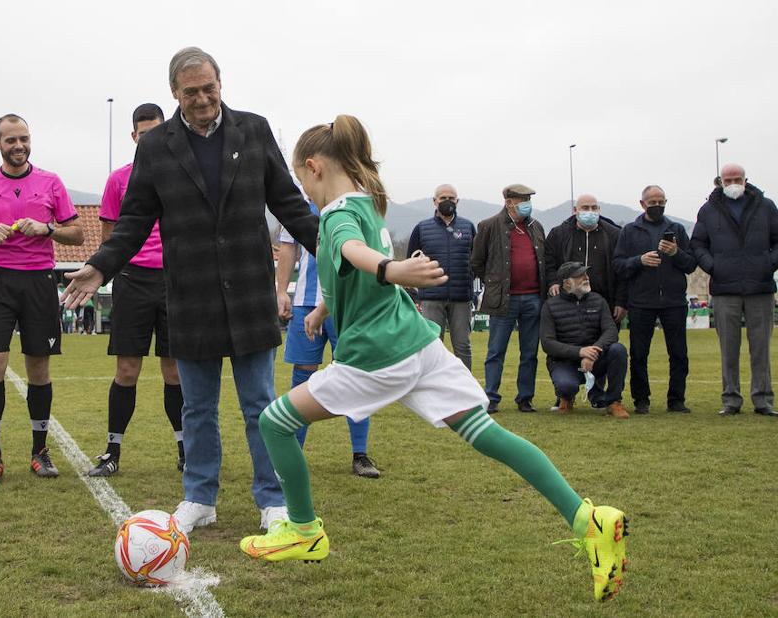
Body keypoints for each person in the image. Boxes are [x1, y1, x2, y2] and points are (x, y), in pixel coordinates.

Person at [236, 115, 630, 603]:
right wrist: (324, 305)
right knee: (491, 436)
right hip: (420, 346)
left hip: (376, 357)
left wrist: (392, 267)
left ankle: (302, 531)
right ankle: (586, 517)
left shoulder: (337, 215)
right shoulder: (368, 204)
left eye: (300, 180)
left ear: (314, 167)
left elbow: (355, 254)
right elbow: (353, 272)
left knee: (274, 422)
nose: (303, 190)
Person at [63, 47, 319, 536]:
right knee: (197, 407)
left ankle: (271, 498)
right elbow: (135, 219)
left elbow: (289, 203)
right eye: (190, 92)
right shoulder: (156, 146)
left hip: (248, 292)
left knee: (260, 404)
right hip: (190, 295)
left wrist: (332, 251)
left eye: (209, 89)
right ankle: (200, 496)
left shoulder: (254, 129)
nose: (201, 99)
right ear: (174, 94)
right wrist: (101, 267)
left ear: (221, 84)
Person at [0, 114, 84, 484]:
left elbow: (78, 234)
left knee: (38, 368)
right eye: (10, 140)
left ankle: (39, 451)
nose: (19, 146)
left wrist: (48, 228)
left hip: (40, 281)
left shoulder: (50, 182)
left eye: (24, 138)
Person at [85, 103, 185, 477]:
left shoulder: (179, 173)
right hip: (132, 281)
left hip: (175, 281)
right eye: (143, 134)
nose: (150, 140)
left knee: (174, 371)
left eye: (156, 132)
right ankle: (112, 452)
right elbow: (110, 237)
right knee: (127, 370)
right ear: (134, 137)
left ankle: (185, 450)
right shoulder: (118, 180)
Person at [277, 210, 380, 478]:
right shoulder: (296, 201)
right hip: (304, 302)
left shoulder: (353, 203)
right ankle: (293, 453)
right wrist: (280, 291)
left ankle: (360, 454)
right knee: (302, 377)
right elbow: (288, 250)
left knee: (355, 374)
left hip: (347, 305)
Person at [691, 164, 778, 416]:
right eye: (728, 179)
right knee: (728, 348)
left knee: (760, 347)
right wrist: (713, 266)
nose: (733, 183)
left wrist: (768, 264)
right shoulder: (708, 210)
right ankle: (731, 399)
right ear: (720, 181)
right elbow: (698, 243)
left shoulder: (766, 206)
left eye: (737, 179)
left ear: (746, 179)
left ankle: (762, 399)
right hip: (724, 288)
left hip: (759, 287)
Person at [613, 185, 696, 414]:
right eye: (653, 202)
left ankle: (676, 399)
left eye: (661, 202)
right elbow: (618, 265)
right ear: (642, 204)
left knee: (679, 353)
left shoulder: (677, 229)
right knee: (639, 354)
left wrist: (675, 253)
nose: (657, 206)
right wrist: (639, 260)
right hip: (641, 302)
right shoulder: (629, 231)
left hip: (674, 301)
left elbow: (690, 264)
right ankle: (641, 400)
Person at [470, 184, 547, 413]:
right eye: (522, 199)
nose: (527, 204)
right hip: (504, 299)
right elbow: (476, 262)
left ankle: (525, 398)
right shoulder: (489, 226)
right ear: (509, 202)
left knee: (530, 352)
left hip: (533, 298)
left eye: (528, 199)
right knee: (496, 351)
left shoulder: (536, 227)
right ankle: (491, 397)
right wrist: (494, 283)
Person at [540, 262, 630, 418]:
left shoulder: (598, 300)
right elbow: (548, 343)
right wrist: (579, 352)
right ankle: (566, 397)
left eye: (586, 274)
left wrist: (592, 351)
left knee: (618, 350)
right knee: (566, 386)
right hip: (564, 362)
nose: (586, 278)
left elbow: (611, 331)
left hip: (595, 358)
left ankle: (614, 401)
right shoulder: (550, 306)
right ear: (567, 282)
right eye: (580, 276)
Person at [406, 184, 476, 368]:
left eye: (451, 198)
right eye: (443, 198)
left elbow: (476, 259)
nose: (447, 201)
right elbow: (410, 260)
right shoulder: (421, 228)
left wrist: (468, 280)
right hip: (431, 297)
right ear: (434, 201)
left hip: (461, 298)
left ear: (457, 201)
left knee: (462, 346)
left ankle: (465, 390)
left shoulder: (468, 227)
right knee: (432, 347)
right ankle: (433, 390)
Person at [544, 195, 627, 321]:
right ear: (575, 210)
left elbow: (622, 270)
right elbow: (548, 262)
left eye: (594, 208)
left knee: (607, 339)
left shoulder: (614, 234)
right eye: (585, 208)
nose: (590, 211)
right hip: (567, 301)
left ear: (599, 209)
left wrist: (621, 301)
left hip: (605, 302)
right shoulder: (558, 234)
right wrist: (553, 282)